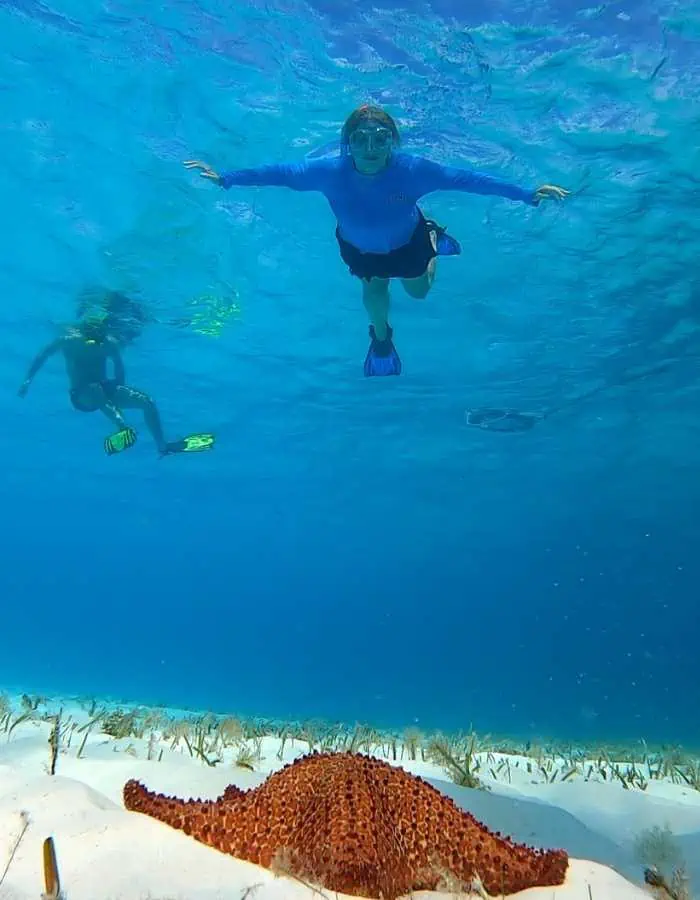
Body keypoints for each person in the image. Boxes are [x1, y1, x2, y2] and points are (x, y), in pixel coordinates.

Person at [184, 104, 569, 377]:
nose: (370, 149)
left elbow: (467, 179)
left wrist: (525, 194)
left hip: (409, 243)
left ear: (392, 142)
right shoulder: (328, 171)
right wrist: (226, 178)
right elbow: (281, 173)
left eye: (380, 139)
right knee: (373, 295)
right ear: (347, 142)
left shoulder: (413, 171)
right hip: (360, 249)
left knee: (418, 293)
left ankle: (433, 236)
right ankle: (381, 341)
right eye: (360, 139)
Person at [18, 313, 215, 457]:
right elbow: (42, 355)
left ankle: (163, 446)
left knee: (146, 402)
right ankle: (122, 427)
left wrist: (117, 388)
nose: (98, 339)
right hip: (81, 395)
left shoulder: (109, 343)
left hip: (104, 388)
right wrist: (28, 380)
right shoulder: (68, 341)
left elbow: (119, 368)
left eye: (101, 334)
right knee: (95, 390)